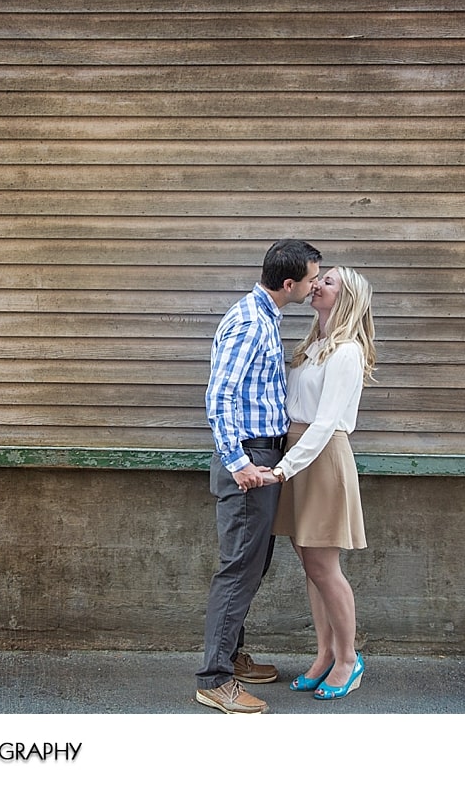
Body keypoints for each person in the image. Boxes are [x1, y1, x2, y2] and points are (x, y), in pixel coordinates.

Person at [195, 239, 322, 714]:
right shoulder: (250, 322)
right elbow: (219, 397)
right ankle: (215, 678)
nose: (315, 286)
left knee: (255, 561)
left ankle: (230, 656)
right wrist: (239, 463)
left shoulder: (266, 315)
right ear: (288, 283)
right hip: (248, 457)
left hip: (264, 454)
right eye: (312, 279)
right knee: (239, 567)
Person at [260, 266, 376, 700]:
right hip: (297, 453)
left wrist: (283, 468)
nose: (318, 284)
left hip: (319, 458)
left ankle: (349, 659)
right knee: (311, 567)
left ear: (346, 298)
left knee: (326, 568)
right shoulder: (315, 347)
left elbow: (326, 423)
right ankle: (325, 652)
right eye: (320, 278)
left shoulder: (345, 351)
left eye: (330, 282)